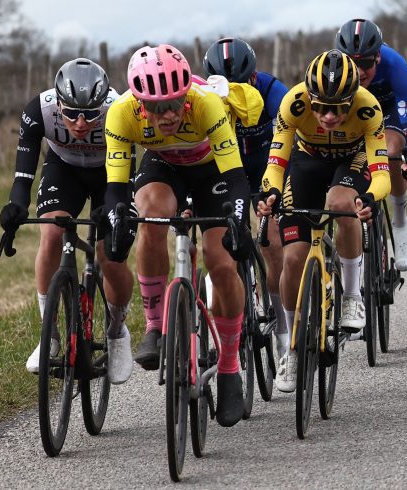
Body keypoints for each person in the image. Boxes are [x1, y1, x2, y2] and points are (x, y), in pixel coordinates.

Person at [103, 44, 263, 427]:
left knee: (221, 262)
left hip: (213, 173)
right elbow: (115, 190)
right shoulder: (121, 113)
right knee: (150, 216)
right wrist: (115, 221)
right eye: (157, 108)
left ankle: (228, 368)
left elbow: (237, 180)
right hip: (164, 166)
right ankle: (156, 327)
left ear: (185, 95)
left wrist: (239, 222)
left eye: (175, 103)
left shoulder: (206, 103)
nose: (169, 114)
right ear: (141, 104)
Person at [256, 49, 391, 392]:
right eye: (321, 107)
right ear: (309, 98)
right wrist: (269, 192)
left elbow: (382, 174)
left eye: (338, 109)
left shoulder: (367, 106)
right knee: (293, 257)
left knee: (341, 202)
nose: (329, 116)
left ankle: (351, 296)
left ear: (351, 100)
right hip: (307, 163)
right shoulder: (293, 103)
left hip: (352, 161)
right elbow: (276, 162)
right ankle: (292, 348)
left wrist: (372, 198)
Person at [0, 58, 134, 385]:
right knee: (52, 233)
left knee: (109, 255)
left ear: (103, 104)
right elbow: (23, 171)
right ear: (58, 102)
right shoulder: (39, 109)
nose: (80, 123)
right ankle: (51, 335)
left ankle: (117, 332)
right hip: (64, 170)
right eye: (71, 113)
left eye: (90, 114)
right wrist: (16, 205)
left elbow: (135, 162)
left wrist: (117, 208)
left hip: (110, 174)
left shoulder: (121, 108)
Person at [202, 37, 290, 359]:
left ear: (254, 75)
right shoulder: (205, 99)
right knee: (217, 239)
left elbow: (290, 139)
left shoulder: (272, 92)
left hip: (270, 164)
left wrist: (277, 191)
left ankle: (283, 330)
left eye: (244, 83)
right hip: (228, 169)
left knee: (274, 239)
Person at [336, 18, 407, 271]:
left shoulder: (395, 64)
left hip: (388, 113)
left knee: (391, 151)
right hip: (352, 116)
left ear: (377, 57)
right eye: (353, 64)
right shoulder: (333, 68)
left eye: (366, 63)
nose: (360, 71)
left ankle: (399, 221)